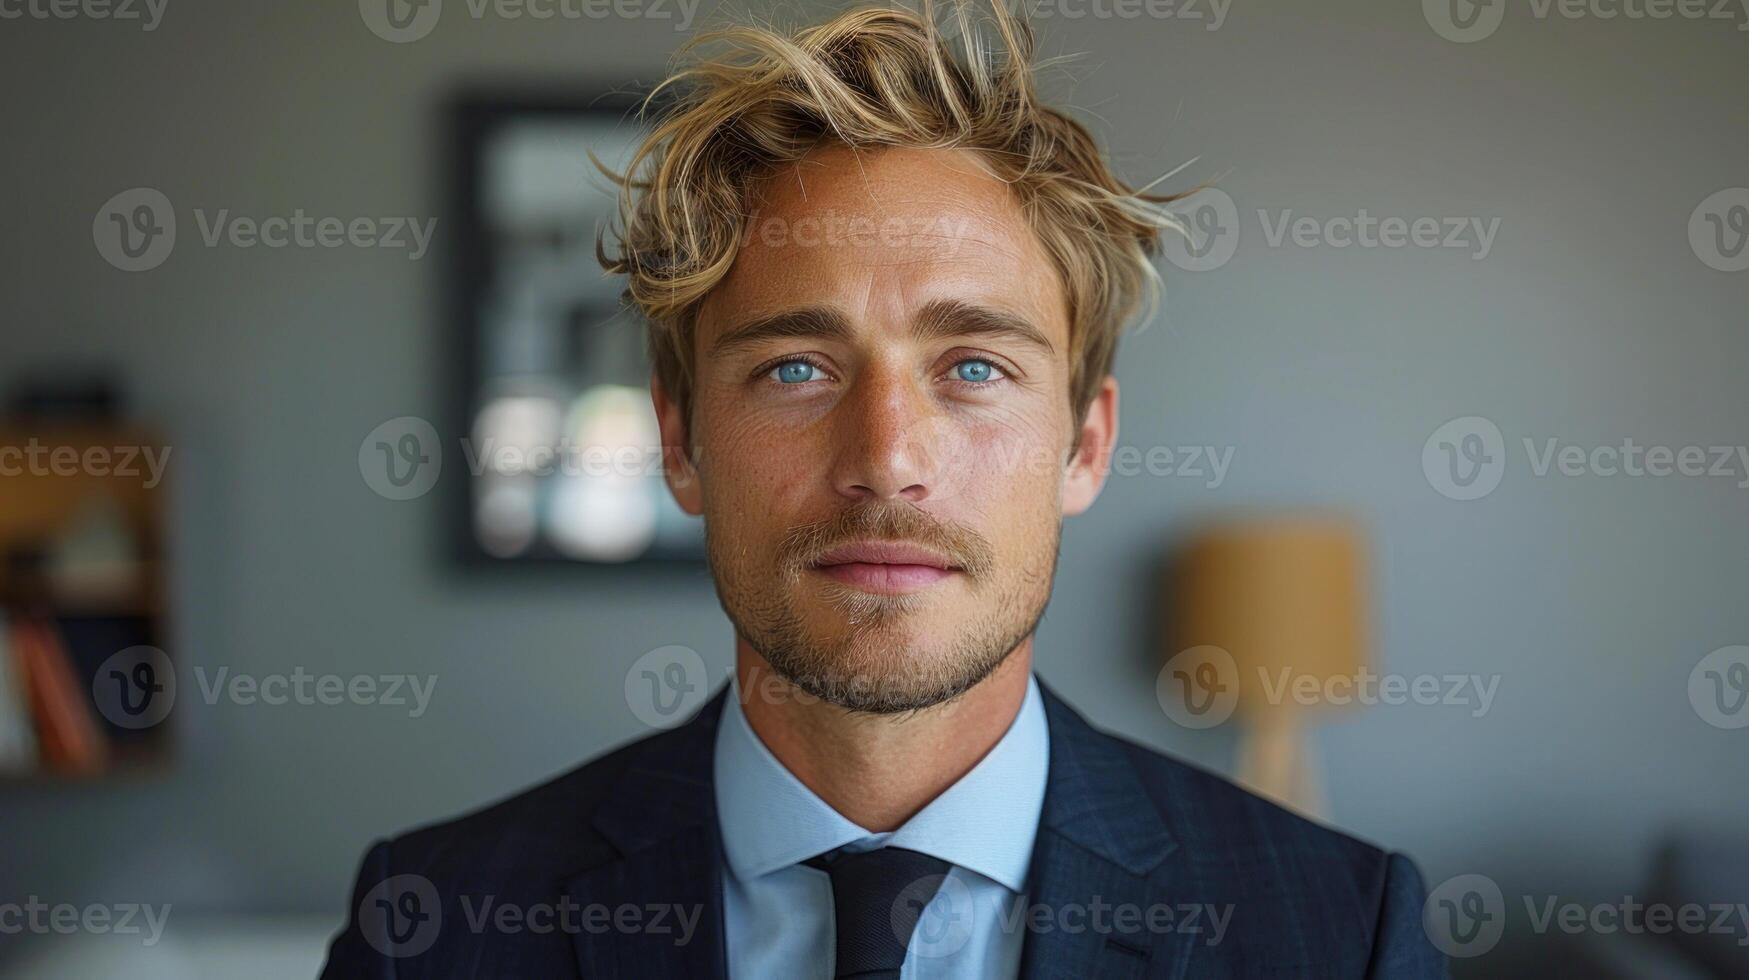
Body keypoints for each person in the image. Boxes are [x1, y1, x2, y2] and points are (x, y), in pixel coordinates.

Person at [321, 2, 1446, 975]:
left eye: (973, 366)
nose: (888, 455)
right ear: (680, 440)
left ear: (1085, 445)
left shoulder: (1337, 932)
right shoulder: (431, 927)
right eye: (795, 368)